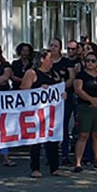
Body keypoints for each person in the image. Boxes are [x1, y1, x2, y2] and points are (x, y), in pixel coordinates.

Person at [21, 49, 63, 178]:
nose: (52, 61)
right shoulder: (32, 73)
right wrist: (39, 90)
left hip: (51, 113)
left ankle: (54, 167)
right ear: (42, 59)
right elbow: (23, 92)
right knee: (36, 141)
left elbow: (58, 89)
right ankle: (35, 168)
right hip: (35, 113)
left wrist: (62, 95)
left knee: (52, 140)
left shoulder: (54, 74)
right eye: (50, 58)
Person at [73, 51, 97, 172]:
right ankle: (78, 163)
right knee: (83, 134)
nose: (90, 63)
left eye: (93, 61)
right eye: (87, 60)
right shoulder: (80, 75)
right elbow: (78, 90)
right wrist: (91, 100)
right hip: (85, 107)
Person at [50, 38, 76, 161]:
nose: (53, 48)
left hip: (65, 96)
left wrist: (61, 88)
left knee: (64, 125)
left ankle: (65, 154)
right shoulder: (46, 62)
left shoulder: (66, 62)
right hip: (49, 98)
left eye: (55, 46)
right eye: (51, 45)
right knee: (50, 125)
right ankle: (51, 154)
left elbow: (71, 78)